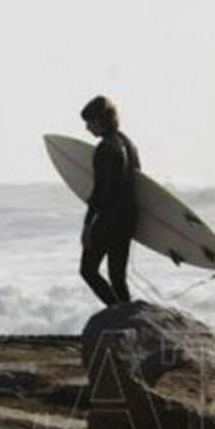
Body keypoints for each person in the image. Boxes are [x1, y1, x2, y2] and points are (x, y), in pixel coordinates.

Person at [78, 94, 141, 307]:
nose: (87, 128)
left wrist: (87, 225)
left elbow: (100, 192)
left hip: (109, 219)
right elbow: (139, 183)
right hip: (128, 219)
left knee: (87, 270)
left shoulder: (105, 148)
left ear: (100, 120)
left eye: (89, 122)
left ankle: (116, 313)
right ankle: (128, 318)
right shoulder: (129, 145)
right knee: (117, 276)